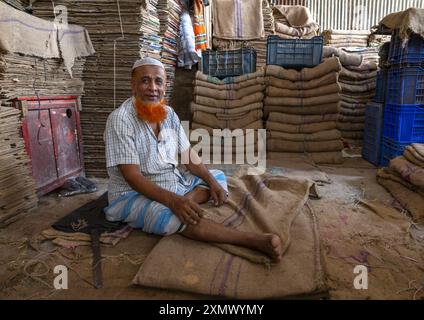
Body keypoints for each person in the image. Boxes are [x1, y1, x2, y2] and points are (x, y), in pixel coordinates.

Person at [103, 57, 282, 262]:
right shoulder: (120, 119)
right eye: (145, 81)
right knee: (171, 217)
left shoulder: (168, 114)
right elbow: (132, 177)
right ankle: (254, 241)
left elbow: (188, 155)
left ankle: (189, 199)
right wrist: (172, 201)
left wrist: (212, 183)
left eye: (158, 81)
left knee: (217, 176)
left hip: (171, 183)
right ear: (133, 84)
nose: (152, 87)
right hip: (131, 194)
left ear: (165, 86)